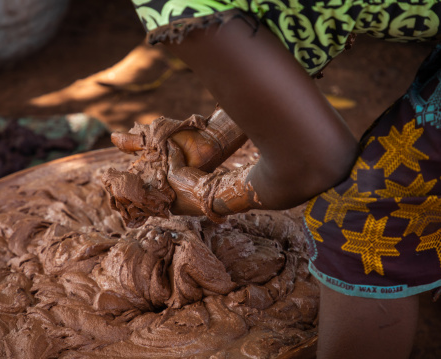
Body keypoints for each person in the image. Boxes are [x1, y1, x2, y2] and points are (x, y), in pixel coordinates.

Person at [113, 1, 441, 358]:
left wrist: (204, 193)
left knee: (361, 215)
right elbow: (310, 18)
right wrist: (216, 136)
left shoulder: (174, 6)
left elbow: (317, 163)